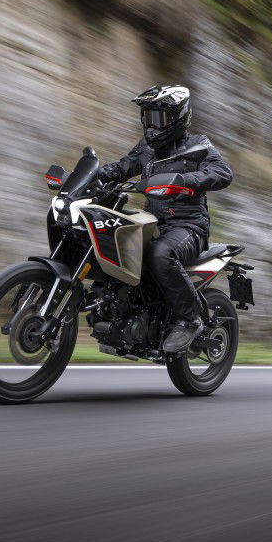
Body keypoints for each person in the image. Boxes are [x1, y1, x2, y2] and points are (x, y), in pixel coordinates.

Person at [96, 85, 233, 353]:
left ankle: (190, 319)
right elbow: (120, 168)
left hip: (189, 226)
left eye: (159, 118)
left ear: (179, 117)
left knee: (160, 254)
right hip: (153, 223)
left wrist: (185, 180)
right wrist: (91, 175)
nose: (152, 126)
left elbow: (223, 173)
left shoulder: (198, 146)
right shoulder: (146, 148)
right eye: (148, 117)